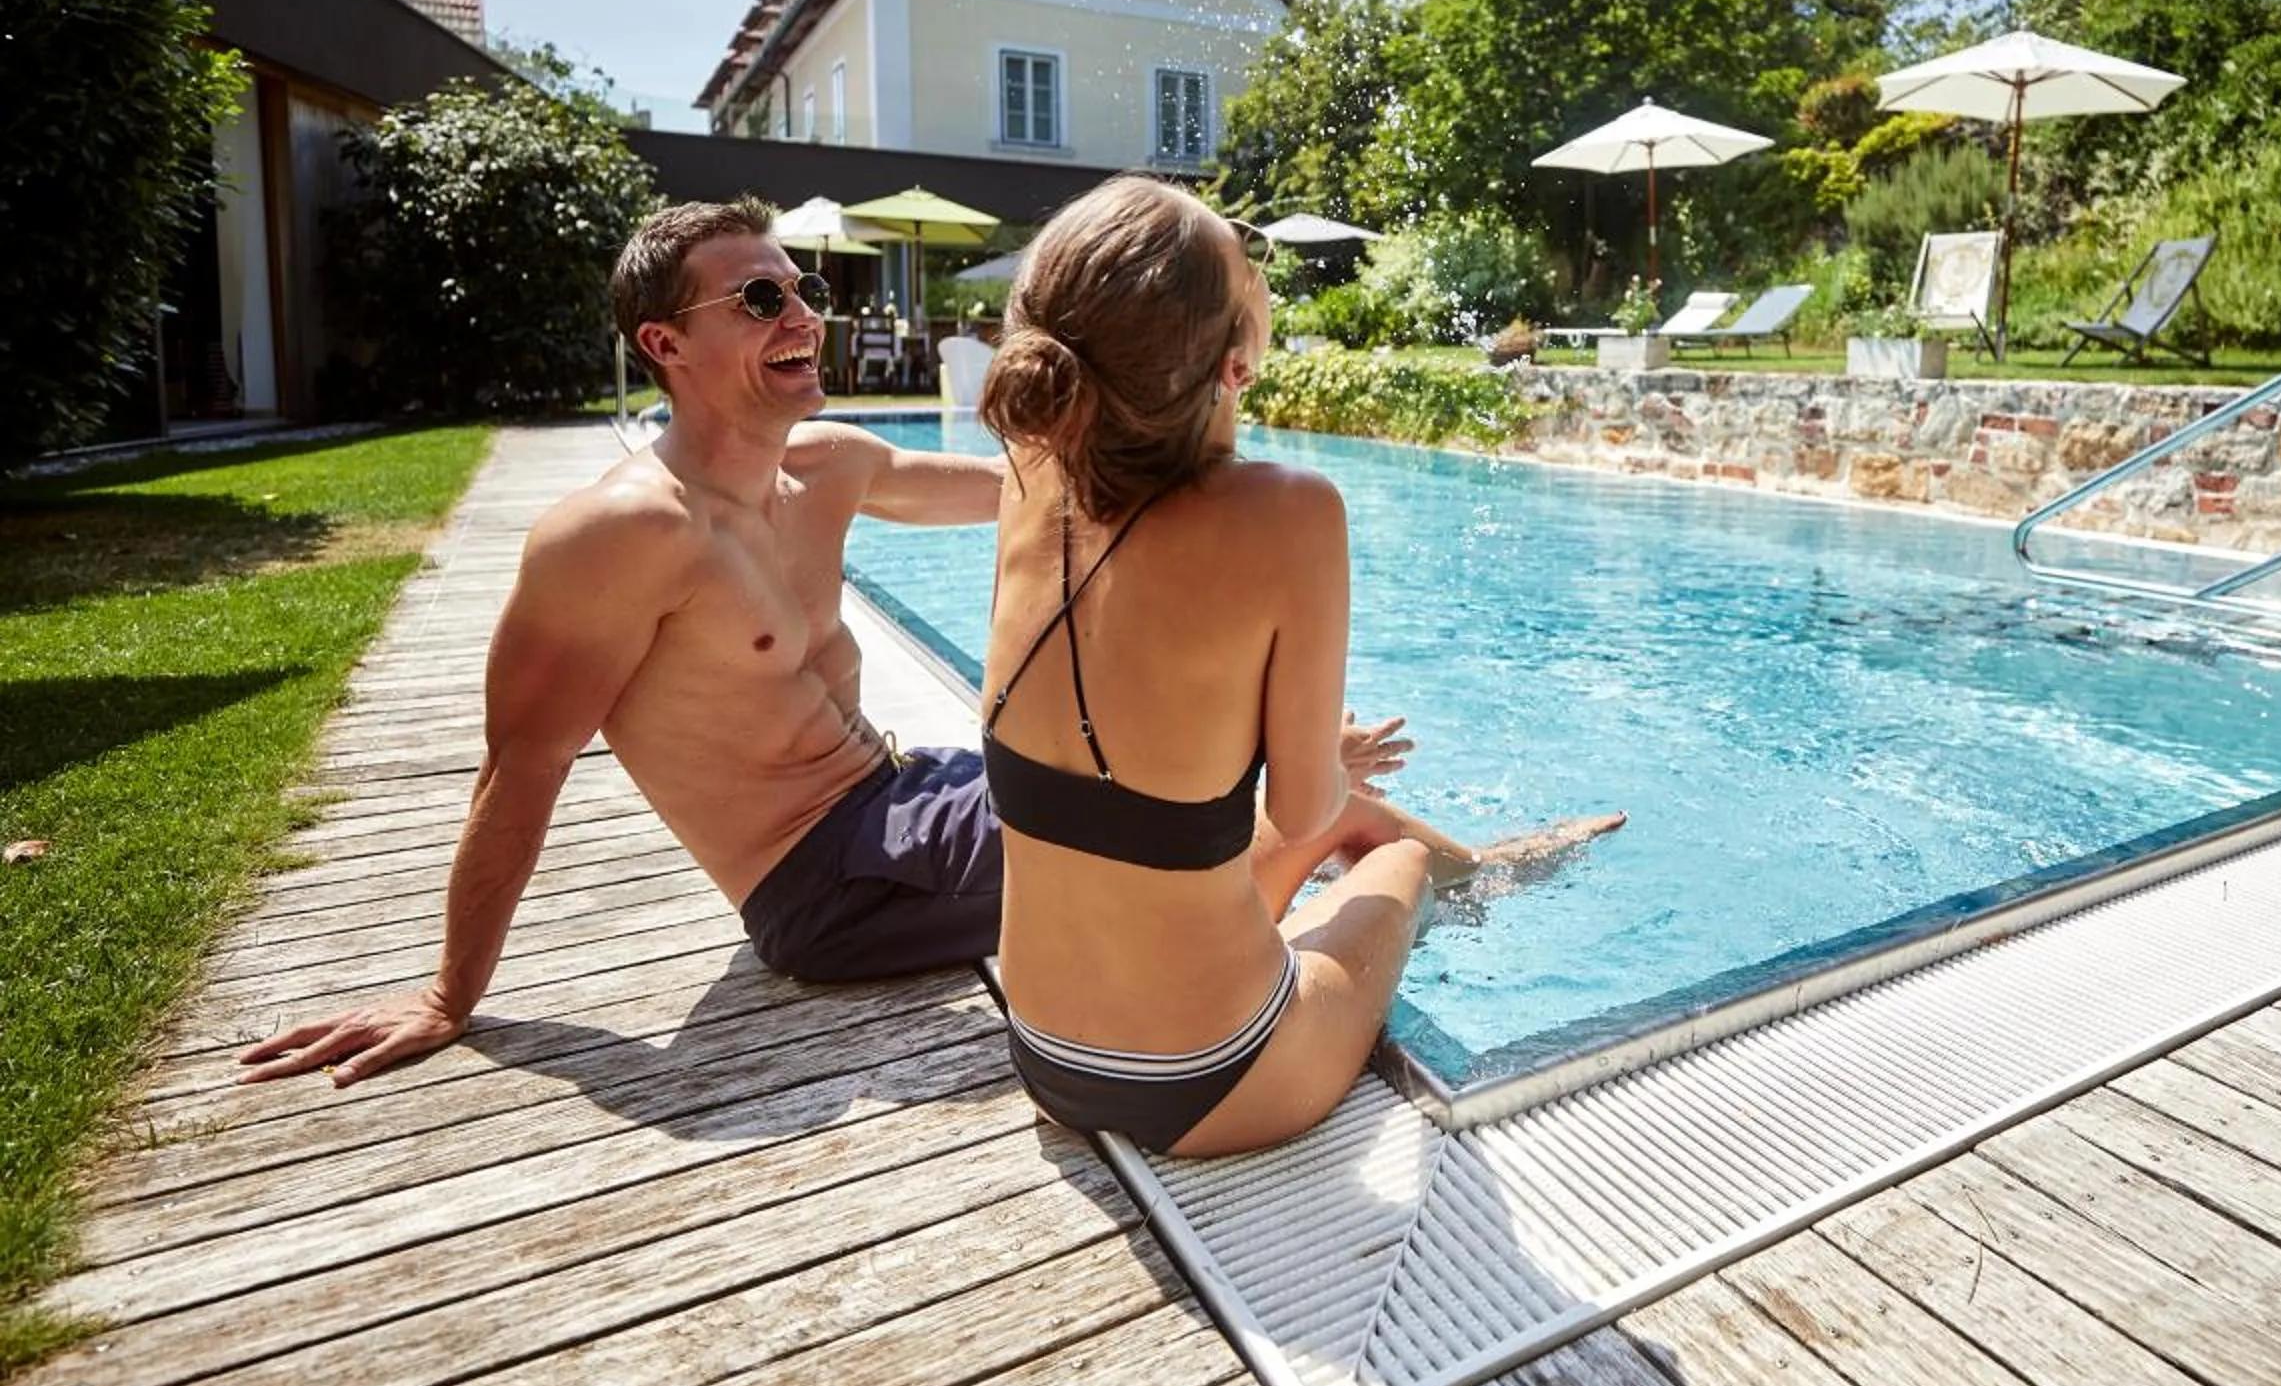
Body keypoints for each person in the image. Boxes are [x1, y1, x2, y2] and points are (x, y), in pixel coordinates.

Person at [236, 199, 1415, 1087]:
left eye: (801, 292)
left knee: (1286, 796)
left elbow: (1058, 489)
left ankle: (1456, 859)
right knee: (1258, 809)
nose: (803, 316)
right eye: (758, 302)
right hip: (821, 882)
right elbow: (523, 762)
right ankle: (1426, 879)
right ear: (664, 343)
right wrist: (452, 993)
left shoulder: (833, 464)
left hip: (907, 801)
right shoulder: (614, 537)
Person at [974, 177, 1622, 1157]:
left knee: (1329, 810)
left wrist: (1314, 763)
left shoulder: (1031, 477)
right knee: (1392, 854)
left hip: (1043, 1055)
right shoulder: (1289, 510)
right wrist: (1322, 755)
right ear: (1237, 358)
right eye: (1252, 268)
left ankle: (1488, 861)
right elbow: (1309, 808)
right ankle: (1483, 873)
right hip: (1208, 1078)